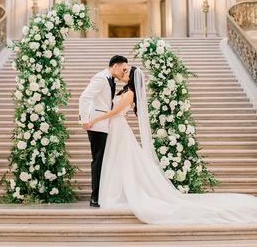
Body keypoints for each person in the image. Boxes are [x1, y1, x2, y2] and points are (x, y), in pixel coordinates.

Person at [84, 66, 257, 225]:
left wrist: (94, 120)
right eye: (124, 70)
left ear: (131, 78)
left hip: (118, 127)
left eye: (126, 72)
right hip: (115, 128)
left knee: (121, 160)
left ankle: (117, 194)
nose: (123, 73)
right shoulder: (122, 89)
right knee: (115, 161)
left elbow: (114, 112)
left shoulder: (129, 93)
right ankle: (112, 191)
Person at [79, 55, 128, 207]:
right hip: (97, 125)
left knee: (103, 159)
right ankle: (95, 197)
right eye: (123, 68)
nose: (124, 72)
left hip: (105, 124)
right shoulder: (100, 78)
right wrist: (84, 120)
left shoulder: (111, 80)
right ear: (115, 66)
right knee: (98, 160)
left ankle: (102, 194)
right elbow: (84, 97)